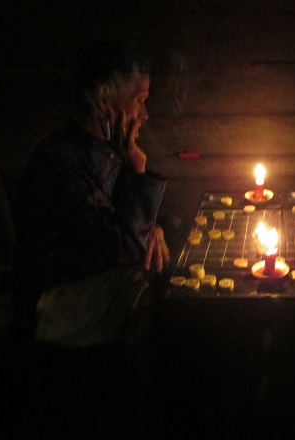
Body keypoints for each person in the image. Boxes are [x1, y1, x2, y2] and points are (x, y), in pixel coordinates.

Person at [11, 38, 175, 348]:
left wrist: (157, 228)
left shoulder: (106, 150)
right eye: (139, 100)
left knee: (172, 241)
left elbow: (128, 223)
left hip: (95, 280)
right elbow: (118, 249)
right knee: (148, 279)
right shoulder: (60, 162)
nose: (145, 115)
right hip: (53, 305)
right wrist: (138, 168)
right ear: (103, 100)